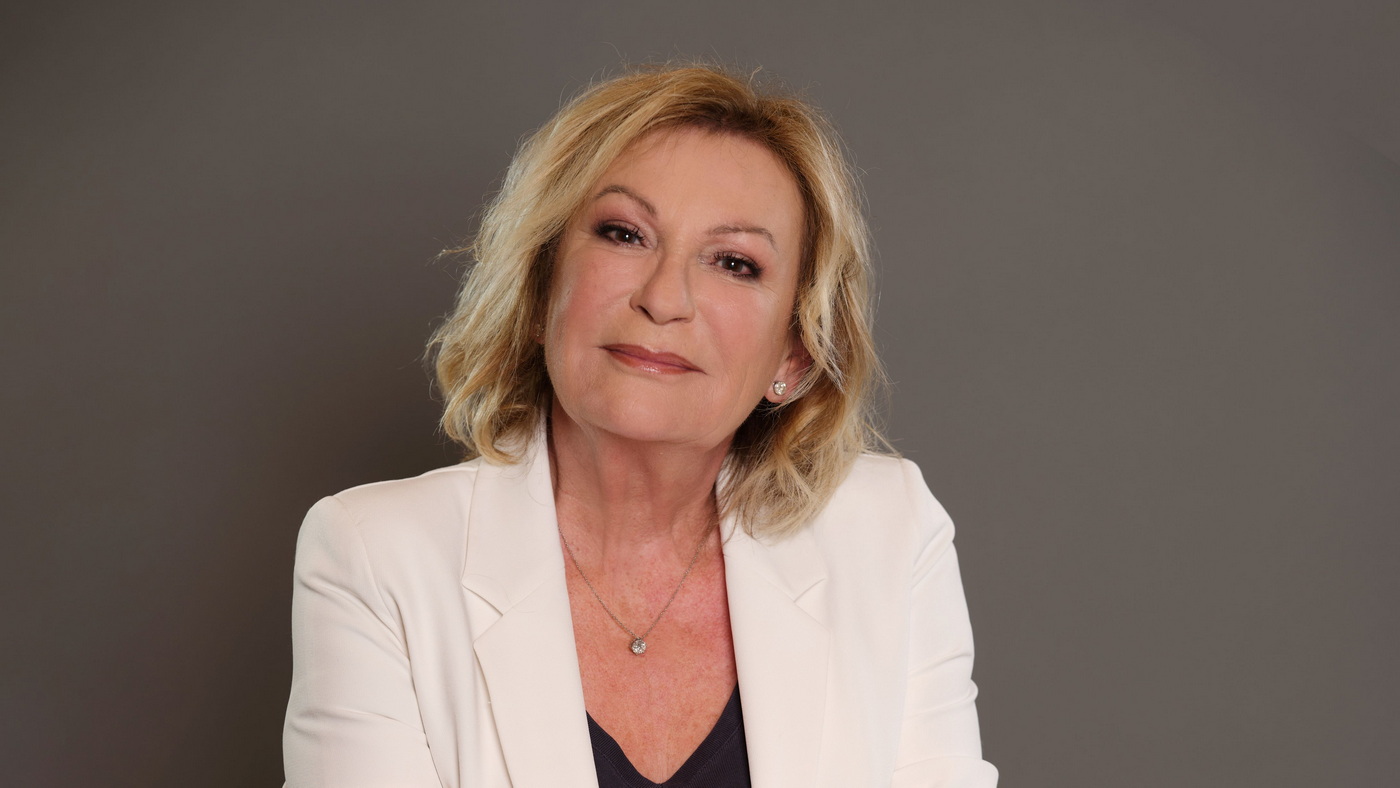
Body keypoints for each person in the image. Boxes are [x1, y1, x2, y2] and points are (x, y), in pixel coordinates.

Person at [283, 63, 997, 788]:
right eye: (625, 234)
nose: (663, 298)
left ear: (795, 352)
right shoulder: (376, 555)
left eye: (734, 263)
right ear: (540, 290)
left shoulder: (891, 533)